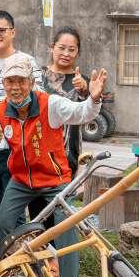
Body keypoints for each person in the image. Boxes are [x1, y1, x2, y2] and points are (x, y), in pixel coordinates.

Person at [0, 55, 107, 277]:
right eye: (10, 81)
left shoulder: (50, 104)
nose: (15, 87)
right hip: (21, 181)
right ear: (4, 84)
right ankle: (27, 273)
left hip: (55, 179)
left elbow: (82, 114)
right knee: (2, 223)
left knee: (65, 228)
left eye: (21, 81)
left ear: (31, 82)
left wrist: (94, 98)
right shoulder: (0, 110)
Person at [0, 10, 44, 233]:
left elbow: (39, 96)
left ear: (13, 32)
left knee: (13, 207)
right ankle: (0, 250)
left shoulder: (27, 61)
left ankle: (19, 249)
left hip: (15, 146)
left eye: (1, 30)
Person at [40, 27, 89, 173]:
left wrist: (84, 90)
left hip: (68, 151)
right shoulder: (38, 76)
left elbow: (88, 112)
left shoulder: (81, 81)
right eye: (62, 48)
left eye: (71, 50)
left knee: (65, 186)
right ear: (52, 47)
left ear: (77, 53)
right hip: (38, 146)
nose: (66, 54)